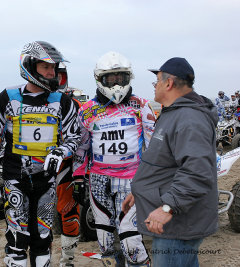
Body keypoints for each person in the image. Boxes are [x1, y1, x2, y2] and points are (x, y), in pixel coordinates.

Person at [0, 41, 80, 267]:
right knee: (17, 240)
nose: (51, 72)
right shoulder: (7, 98)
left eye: (53, 68)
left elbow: (75, 138)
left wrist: (61, 151)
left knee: (43, 240)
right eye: (45, 67)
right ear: (29, 65)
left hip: (46, 182)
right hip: (15, 179)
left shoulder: (63, 101)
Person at [123, 57, 218, 267]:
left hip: (179, 225)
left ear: (169, 83)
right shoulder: (174, 113)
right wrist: (140, 192)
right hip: (175, 222)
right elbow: (164, 162)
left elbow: (198, 172)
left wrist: (168, 208)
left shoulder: (189, 119)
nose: (155, 87)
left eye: (156, 81)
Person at [73, 51, 154, 266]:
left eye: (121, 78)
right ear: (100, 79)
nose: (117, 84)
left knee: (130, 237)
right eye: (111, 79)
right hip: (98, 179)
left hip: (132, 179)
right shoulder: (87, 110)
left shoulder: (141, 105)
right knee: (105, 239)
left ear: (129, 78)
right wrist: (78, 177)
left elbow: (154, 146)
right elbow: (82, 147)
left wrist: (152, 178)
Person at [54, 63, 82, 267]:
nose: (55, 78)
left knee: (69, 211)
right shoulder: (28, 101)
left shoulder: (74, 105)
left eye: (60, 75)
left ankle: (67, 261)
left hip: (66, 163)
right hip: (36, 164)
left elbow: (82, 138)